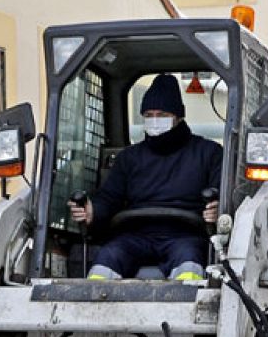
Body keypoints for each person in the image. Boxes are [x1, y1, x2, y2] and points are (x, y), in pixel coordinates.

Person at [69, 73, 221, 281]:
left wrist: (217, 211)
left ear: (178, 116)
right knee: (106, 259)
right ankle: (91, 310)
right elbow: (109, 198)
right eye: (149, 115)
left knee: (189, 263)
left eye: (161, 114)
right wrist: (92, 211)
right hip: (134, 235)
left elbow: (221, 197)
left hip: (185, 236)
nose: (155, 120)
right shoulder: (129, 158)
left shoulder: (209, 153)